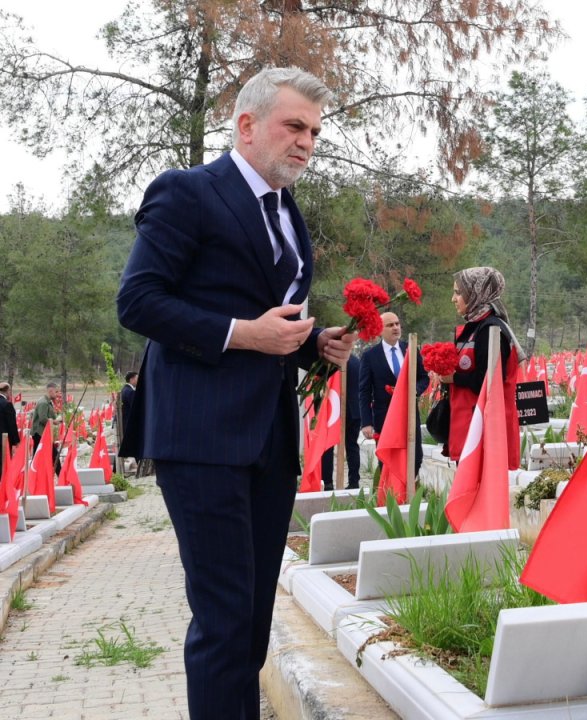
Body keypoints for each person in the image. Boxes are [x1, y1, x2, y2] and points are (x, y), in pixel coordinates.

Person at [116, 67, 355, 720]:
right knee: (223, 621)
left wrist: (314, 345)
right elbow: (137, 300)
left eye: (314, 131)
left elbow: (273, 317)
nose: (306, 142)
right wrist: (244, 335)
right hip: (201, 435)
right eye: (294, 126)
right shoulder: (188, 194)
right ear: (247, 125)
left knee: (250, 624)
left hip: (270, 439)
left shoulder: (286, 211)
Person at [434, 267, 523, 469]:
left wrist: (454, 378)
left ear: (476, 294)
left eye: (458, 292)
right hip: (469, 426)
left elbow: (491, 382)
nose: (453, 299)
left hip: (483, 430)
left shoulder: (491, 330)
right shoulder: (474, 327)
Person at [358, 312, 428, 476]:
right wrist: (366, 422)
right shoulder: (370, 356)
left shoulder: (410, 348)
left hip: (409, 415)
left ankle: (411, 494)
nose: (395, 328)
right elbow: (364, 391)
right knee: (388, 463)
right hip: (384, 417)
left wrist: (414, 390)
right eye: (390, 325)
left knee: (415, 458)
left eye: (397, 324)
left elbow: (424, 377)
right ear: (380, 329)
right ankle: (390, 497)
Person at [322, 353, 362, 490]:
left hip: (336, 409)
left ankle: (327, 482)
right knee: (352, 446)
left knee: (327, 447)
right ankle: (354, 481)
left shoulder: (333, 360)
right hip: (355, 410)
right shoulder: (357, 361)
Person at [30, 382, 62, 474]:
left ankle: (36, 475)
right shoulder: (43, 402)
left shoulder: (47, 402)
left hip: (44, 433)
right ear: (50, 391)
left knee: (41, 456)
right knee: (49, 455)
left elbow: (49, 416)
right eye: (56, 392)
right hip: (40, 434)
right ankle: (60, 475)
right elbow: (43, 418)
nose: (57, 394)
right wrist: (54, 421)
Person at [0, 382, 18, 479]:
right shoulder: (7, 404)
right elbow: (12, 425)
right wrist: (16, 441)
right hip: (4, 441)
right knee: (4, 464)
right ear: (7, 391)